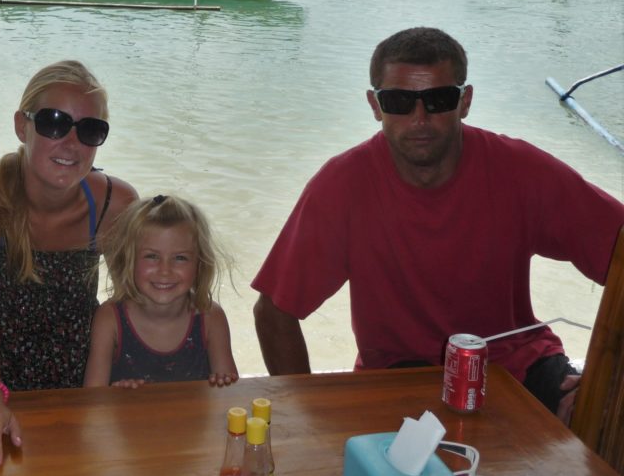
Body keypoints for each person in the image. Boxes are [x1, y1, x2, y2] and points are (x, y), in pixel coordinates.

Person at [251, 26, 624, 423]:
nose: (420, 119)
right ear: (375, 106)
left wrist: (606, 377)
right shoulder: (343, 184)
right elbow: (274, 312)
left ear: (465, 101)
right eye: (398, 101)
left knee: (605, 417)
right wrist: (305, 415)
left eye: (438, 99)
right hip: (398, 376)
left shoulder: (521, 170)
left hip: (519, 365)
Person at [0, 60, 137, 470]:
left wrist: (131, 372)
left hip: (74, 381)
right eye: (54, 122)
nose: (71, 143)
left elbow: (139, 306)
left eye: (90, 130)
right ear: (22, 126)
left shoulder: (116, 204)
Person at [83, 194, 239, 388]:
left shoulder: (211, 317)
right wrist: (116, 398)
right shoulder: (109, 318)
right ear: (128, 260)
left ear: (200, 263)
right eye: (151, 256)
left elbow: (232, 397)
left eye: (180, 258)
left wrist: (223, 384)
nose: (165, 270)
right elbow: (92, 400)